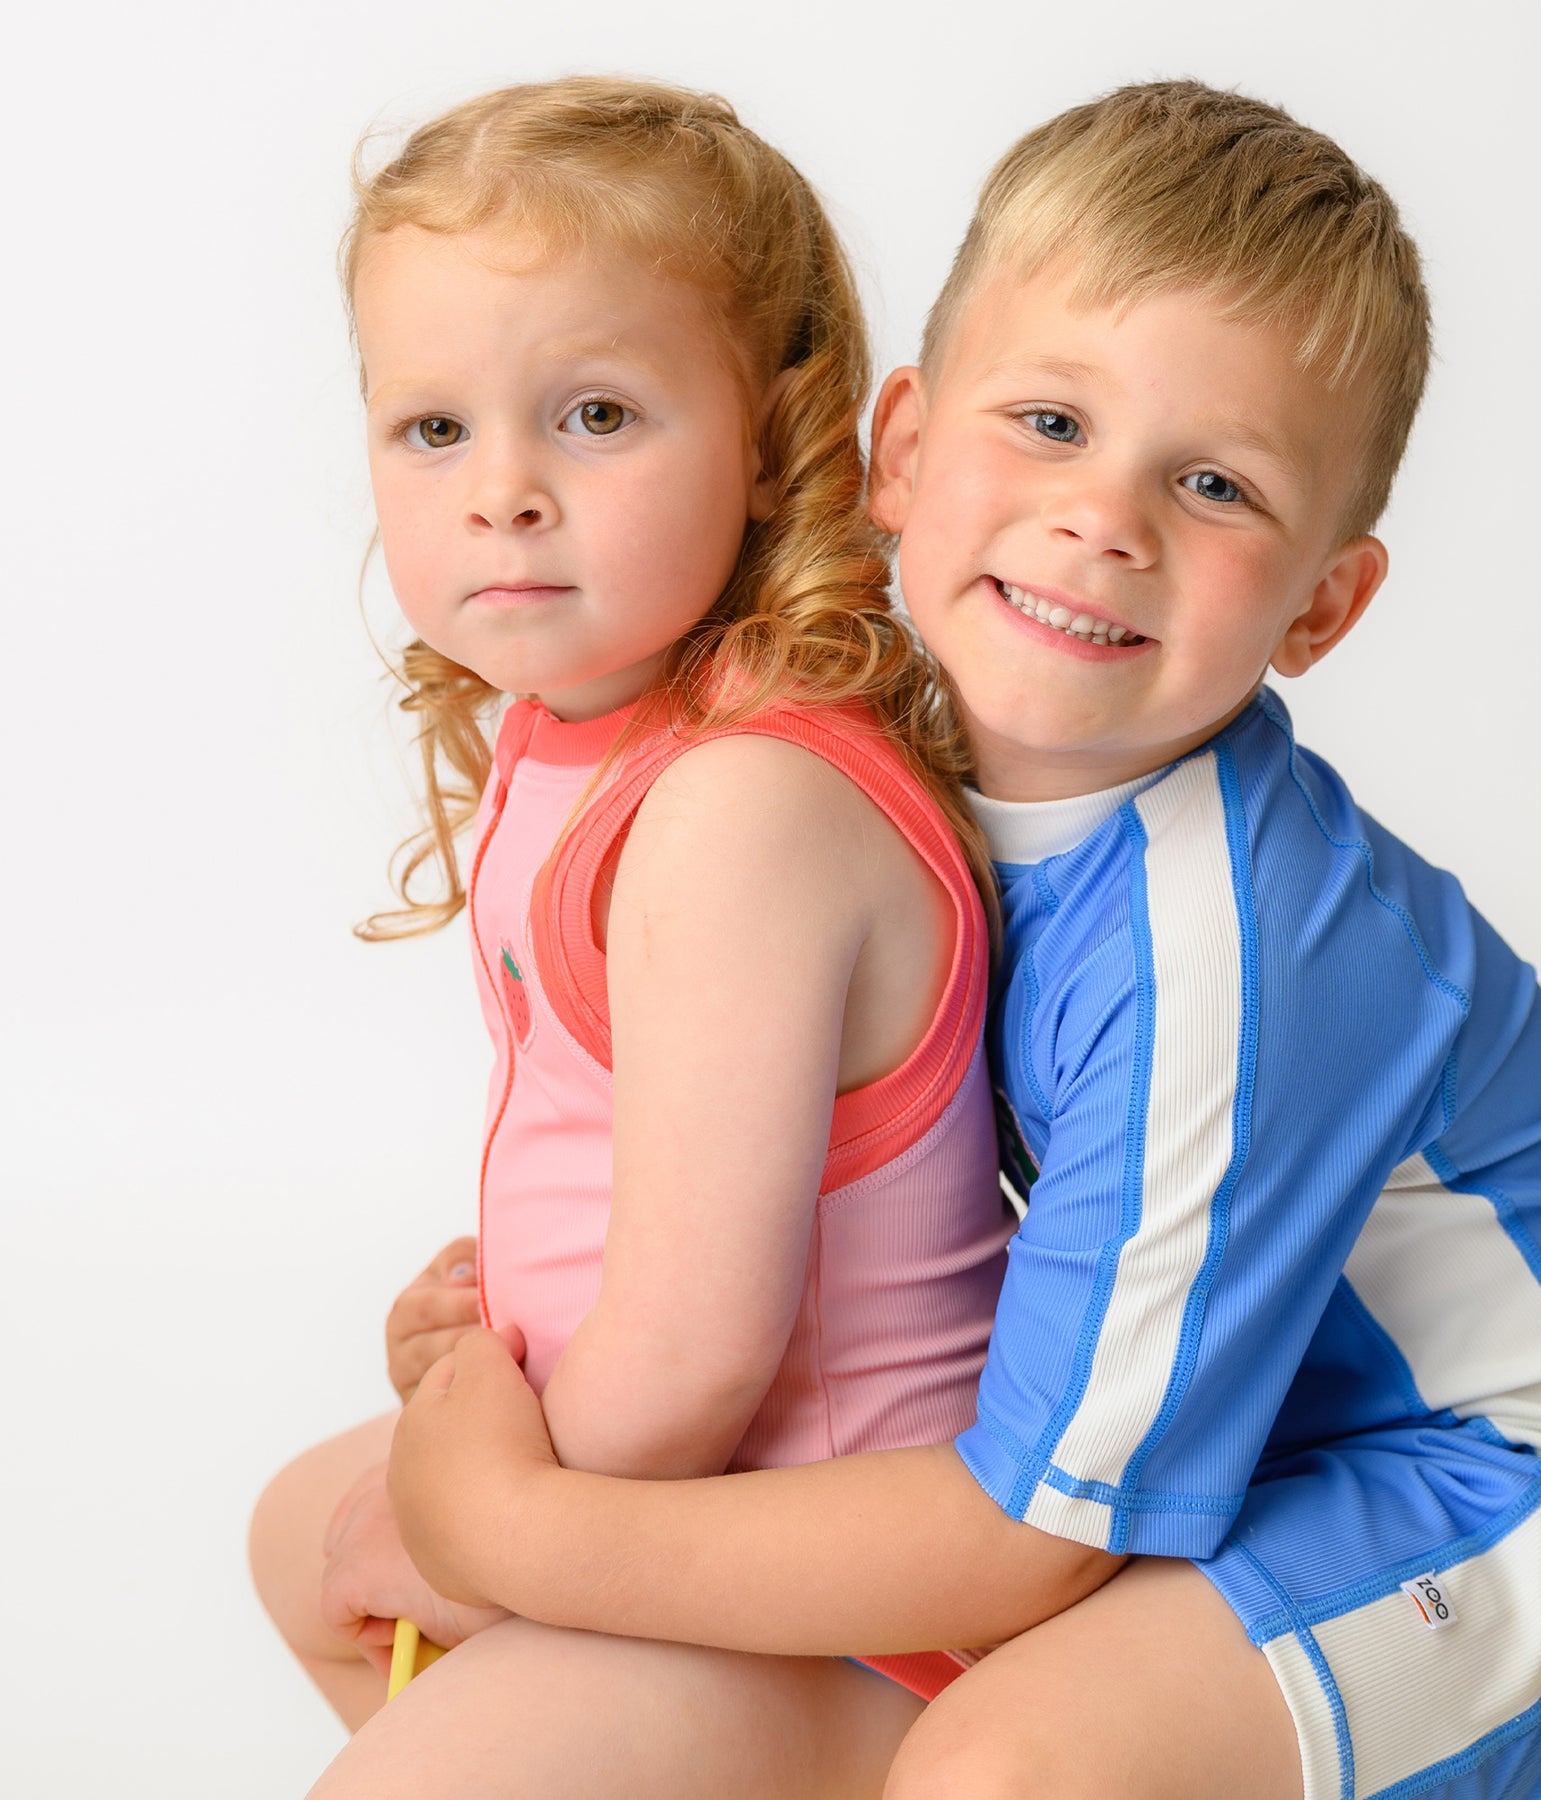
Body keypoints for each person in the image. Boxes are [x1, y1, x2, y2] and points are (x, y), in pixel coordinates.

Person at [374, 80, 1541, 1800]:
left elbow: (1027, 1543)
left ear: (1323, 604)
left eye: (1215, 483)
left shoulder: (1231, 952)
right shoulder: (866, 750)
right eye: (1048, 422)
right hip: (1227, 1434)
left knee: (1005, 1769)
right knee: (336, 1551)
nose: (1106, 520)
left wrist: (518, 1532)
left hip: (1510, 1501)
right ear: (900, 452)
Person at [247, 74, 1019, 1791]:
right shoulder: (580, 729)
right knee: (300, 1530)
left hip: (830, 1598)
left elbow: (687, 1363)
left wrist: (468, 1544)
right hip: (666, 1510)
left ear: (774, 442)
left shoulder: (747, 806)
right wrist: (495, 1325)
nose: (502, 490)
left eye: (595, 415)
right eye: (432, 429)